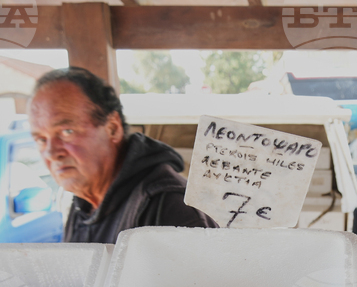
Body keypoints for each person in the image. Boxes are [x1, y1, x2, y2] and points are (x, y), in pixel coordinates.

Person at [28, 67, 217, 243]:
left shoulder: (169, 207)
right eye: (41, 140)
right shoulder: (83, 204)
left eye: (66, 132)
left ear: (112, 128)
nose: (52, 153)